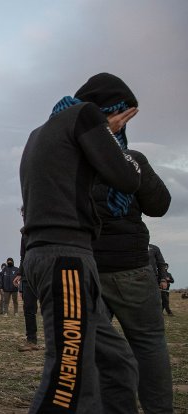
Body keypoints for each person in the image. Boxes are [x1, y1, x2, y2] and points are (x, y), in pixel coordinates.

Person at [20, 73, 142, 412]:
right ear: (110, 109)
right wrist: (111, 135)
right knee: (67, 379)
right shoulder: (84, 116)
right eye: (124, 116)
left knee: (116, 363)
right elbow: (126, 177)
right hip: (66, 260)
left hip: (54, 256)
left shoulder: (42, 133)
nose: (123, 125)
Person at [92, 140, 172, 413]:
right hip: (132, 267)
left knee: (93, 346)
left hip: (88, 267)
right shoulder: (130, 159)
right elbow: (160, 205)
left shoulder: (70, 161)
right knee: (148, 343)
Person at [149, 244, 174, 316]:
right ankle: (162, 312)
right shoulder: (159, 273)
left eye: (166, 266)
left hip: (166, 290)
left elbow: (172, 281)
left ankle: (164, 313)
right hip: (160, 289)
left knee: (165, 301)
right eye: (165, 266)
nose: (165, 267)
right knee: (162, 301)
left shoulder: (168, 274)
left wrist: (166, 280)